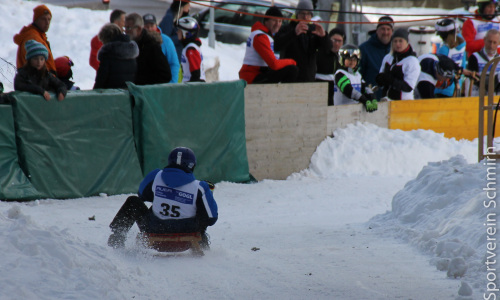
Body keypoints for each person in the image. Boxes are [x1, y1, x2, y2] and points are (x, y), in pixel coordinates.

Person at [107, 147, 218, 249]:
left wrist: (165, 195)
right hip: (187, 235)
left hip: (154, 228)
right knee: (203, 211)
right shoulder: (200, 187)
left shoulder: (156, 176)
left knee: (133, 201)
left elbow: (142, 195)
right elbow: (211, 218)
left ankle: (117, 236)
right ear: (192, 165)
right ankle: (202, 242)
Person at [238, 7, 298, 84]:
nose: (277, 24)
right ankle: (285, 95)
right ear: (266, 21)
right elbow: (274, 64)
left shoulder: (267, 35)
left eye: (280, 21)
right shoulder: (260, 36)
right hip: (252, 77)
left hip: (258, 74)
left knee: (290, 69)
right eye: (274, 20)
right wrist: (292, 61)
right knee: (292, 69)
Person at [273, 0, 327, 82]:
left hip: (308, 78)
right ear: (297, 14)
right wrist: (294, 33)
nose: (305, 17)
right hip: (290, 77)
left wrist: (324, 36)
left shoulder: (314, 29)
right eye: (302, 13)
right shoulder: (287, 28)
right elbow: (277, 46)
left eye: (308, 14)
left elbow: (327, 49)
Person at [125, 13, 172, 85]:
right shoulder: (128, 44)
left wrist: (143, 83)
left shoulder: (151, 46)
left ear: (138, 29)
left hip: (146, 93)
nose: (126, 31)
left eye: (129, 28)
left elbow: (165, 75)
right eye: (125, 28)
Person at [376, 28, 421, 100]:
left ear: (407, 42)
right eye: (395, 41)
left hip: (403, 103)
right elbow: (381, 75)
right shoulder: (388, 57)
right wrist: (380, 79)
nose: (397, 44)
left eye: (400, 41)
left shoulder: (412, 61)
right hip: (386, 101)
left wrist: (391, 80)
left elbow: (408, 87)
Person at [93, 23, 139, 89]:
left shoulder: (108, 53)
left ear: (106, 39)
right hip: (128, 94)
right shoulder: (131, 52)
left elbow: (101, 80)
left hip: (111, 95)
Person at [333, 44, 377, 112]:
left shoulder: (357, 75)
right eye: (349, 59)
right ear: (342, 59)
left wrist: (372, 97)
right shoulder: (340, 74)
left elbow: (364, 89)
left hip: (355, 110)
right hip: (341, 111)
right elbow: (348, 90)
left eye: (354, 60)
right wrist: (363, 100)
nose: (352, 62)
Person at [14, 5, 56, 73]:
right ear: (36, 20)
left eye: (49, 19)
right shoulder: (33, 38)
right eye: (43, 19)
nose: (47, 23)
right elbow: (35, 66)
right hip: (38, 80)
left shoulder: (40, 36)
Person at [359, 15, 394, 100]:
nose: (385, 32)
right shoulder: (364, 49)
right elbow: (358, 75)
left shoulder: (397, 49)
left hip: (392, 100)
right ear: (377, 31)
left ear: (392, 32)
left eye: (388, 29)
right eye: (383, 29)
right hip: (371, 100)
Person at [143, 13, 180, 83]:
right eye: (146, 26)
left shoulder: (166, 41)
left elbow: (174, 63)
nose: (150, 29)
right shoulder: (139, 41)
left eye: (152, 26)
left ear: (156, 26)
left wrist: (172, 84)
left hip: (163, 85)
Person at [434, 18, 467, 97]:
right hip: (457, 86)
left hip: (443, 89)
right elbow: (463, 66)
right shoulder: (462, 45)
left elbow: (439, 69)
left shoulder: (444, 49)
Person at [465, 29, 500, 96]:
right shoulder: (475, 57)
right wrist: (496, 80)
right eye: (489, 42)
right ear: (484, 40)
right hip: (477, 97)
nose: (491, 46)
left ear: (498, 43)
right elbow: (475, 79)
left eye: (494, 42)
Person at [316, 27, 346, 105]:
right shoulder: (319, 52)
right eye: (334, 40)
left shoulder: (341, 58)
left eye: (339, 41)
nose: (336, 44)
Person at [178, 17, 206, 82]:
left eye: (179, 31)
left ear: (186, 33)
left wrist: (190, 89)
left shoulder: (191, 49)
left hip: (193, 87)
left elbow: (196, 73)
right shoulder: (188, 47)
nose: (177, 33)